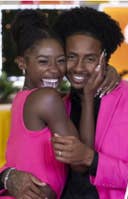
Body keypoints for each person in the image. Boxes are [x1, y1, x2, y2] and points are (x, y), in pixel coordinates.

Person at [0, 9, 103, 199]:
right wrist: (88, 98)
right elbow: (81, 163)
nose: (55, 70)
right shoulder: (47, 99)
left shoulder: (24, 98)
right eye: (43, 62)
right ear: (22, 63)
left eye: (61, 60)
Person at [51, 7, 128, 199]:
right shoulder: (57, 105)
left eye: (90, 59)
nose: (79, 68)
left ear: (105, 58)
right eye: (71, 57)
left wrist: (91, 158)